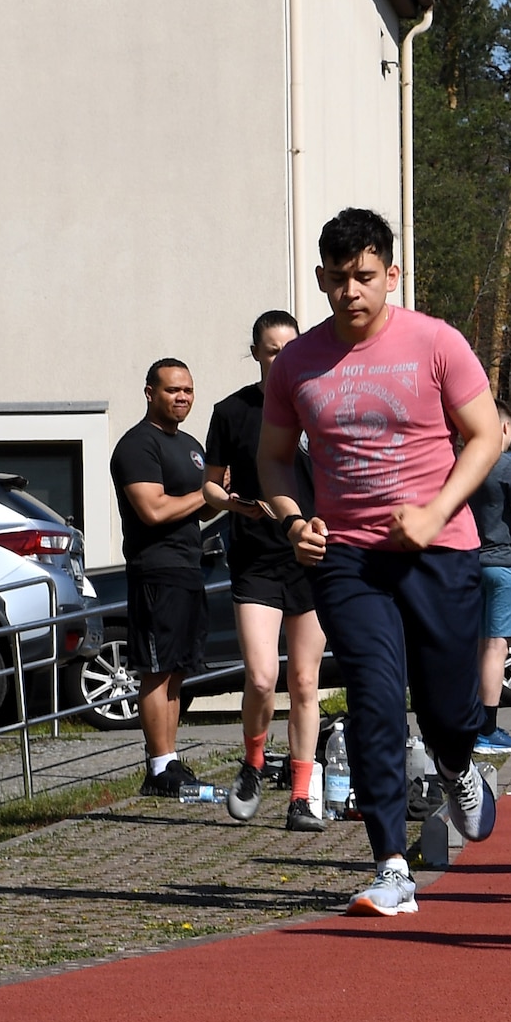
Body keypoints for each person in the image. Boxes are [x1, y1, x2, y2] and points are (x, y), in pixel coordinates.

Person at [259, 207, 504, 917]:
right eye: (337, 280)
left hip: (438, 549)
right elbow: (274, 461)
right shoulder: (298, 363)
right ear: (320, 279)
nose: (351, 292)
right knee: (372, 698)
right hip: (348, 557)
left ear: (391, 274)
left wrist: (435, 511)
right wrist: (294, 519)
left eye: (365, 277)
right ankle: (391, 864)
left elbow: (484, 435)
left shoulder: (435, 342)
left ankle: (457, 764)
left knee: (448, 709)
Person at [201, 313, 329, 829]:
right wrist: (231, 505)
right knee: (260, 676)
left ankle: (301, 796)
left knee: (303, 680)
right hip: (255, 556)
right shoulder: (231, 411)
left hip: (312, 557)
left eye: (289, 349)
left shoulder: (317, 407)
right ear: (255, 353)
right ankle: (253, 760)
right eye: (271, 350)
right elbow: (209, 488)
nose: (280, 358)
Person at [111, 359, 211, 798]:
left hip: (190, 566)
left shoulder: (189, 444)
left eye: (188, 390)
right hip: (156, 570)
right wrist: (205, 494)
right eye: (173, 390)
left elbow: (199, 506)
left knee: (176, 669)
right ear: (150, 392)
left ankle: (170, 760)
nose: (182, 397)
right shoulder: (137, 446)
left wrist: (228, 500)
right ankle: (157, 766)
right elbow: (152, 510)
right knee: (156, 669)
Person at [467, 400, 511, 755]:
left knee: (480, 646)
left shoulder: (465, 465)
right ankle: (487, 730)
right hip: (506, 563)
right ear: (506, 428)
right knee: (498, 647)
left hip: (470, 563)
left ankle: (473, 723)